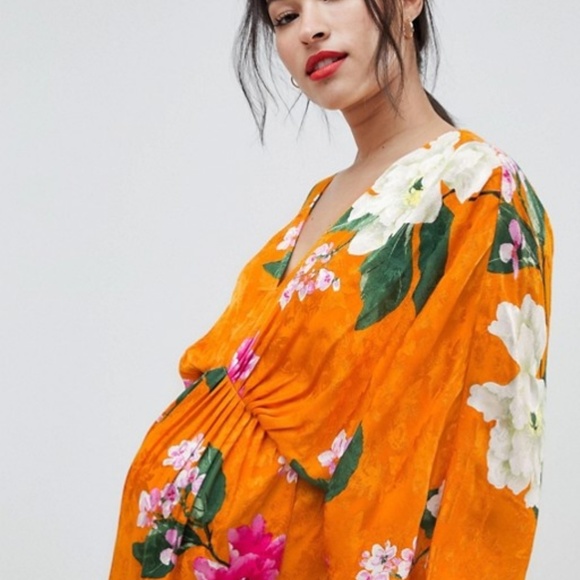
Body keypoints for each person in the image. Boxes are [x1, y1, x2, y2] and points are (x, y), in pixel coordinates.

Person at [110, 0, 552, 578]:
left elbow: (487, 461)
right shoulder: (322, 197)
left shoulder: (478, 189)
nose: (310, 29)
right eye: (285, 16)